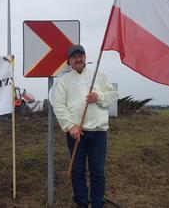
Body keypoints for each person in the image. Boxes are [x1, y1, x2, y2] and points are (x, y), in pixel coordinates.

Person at [50, 45, 118, 208]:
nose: (78, 59)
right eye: (74, 57)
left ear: (85, 58)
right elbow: (59, 105)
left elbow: (113, 95)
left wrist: (98, 96)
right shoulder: (63, 81)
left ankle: (96, 203)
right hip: (76, 133)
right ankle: (81, 202)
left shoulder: (98, 75)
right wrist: (70, 126)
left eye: (81, 56)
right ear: (69, 62)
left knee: (97, 171)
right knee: (77, 170)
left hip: (98, 132)